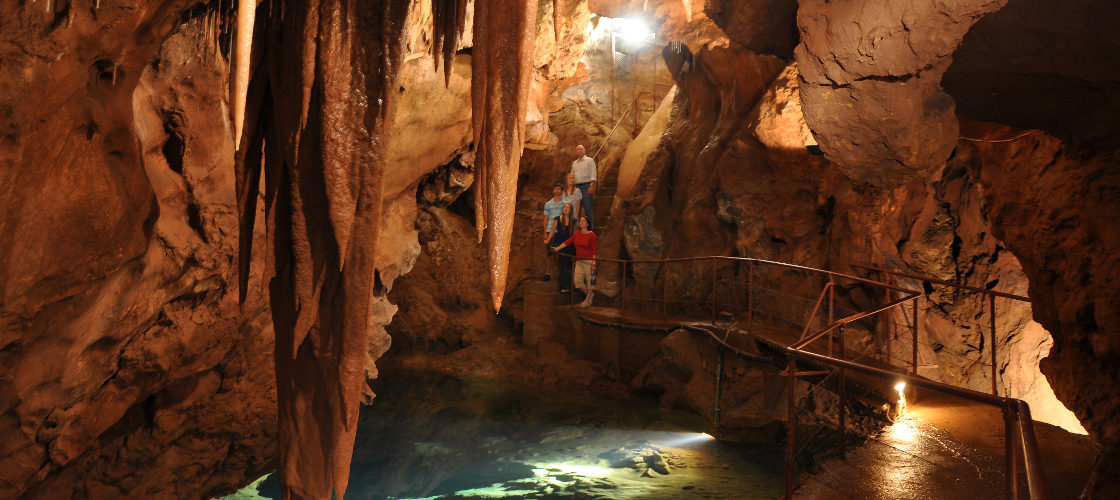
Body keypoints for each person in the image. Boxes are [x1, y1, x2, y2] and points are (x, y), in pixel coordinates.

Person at [552, 216, 598, 307]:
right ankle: (590, 295)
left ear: (587, 224)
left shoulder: (592, 235)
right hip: (579, 261)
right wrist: (557, 248)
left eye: (583, 221)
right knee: (577, 282)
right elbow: (568, 242)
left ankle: (587, 300)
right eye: (580, 221)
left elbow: (594, 249)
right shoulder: (577, 233)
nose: (581, 222)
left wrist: (594, 262)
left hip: (589, 261)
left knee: (590, 282)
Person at [547, 202, 577, 293]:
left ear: (571, 210)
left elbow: (575, 235)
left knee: (569, 266)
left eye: (568, 207)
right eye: (565, 207)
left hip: (570, 246)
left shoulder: (574, 221)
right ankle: (563, 287)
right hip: (561, 246)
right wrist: (548, 240)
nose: (566, 209)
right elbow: (552, 231)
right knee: (563, 266)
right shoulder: (558, 219)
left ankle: (568, 287)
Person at [571, 144, 597, 229]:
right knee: (577, 211)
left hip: (586, 186)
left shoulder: (590, 160)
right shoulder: (574, 163)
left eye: (582, 148)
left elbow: (593, 173)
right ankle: (578, 232)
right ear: (576, 151)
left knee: (588, 209)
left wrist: (591, 185)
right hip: (577, 188)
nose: (581, 150)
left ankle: (590, 231)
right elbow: (572, 176)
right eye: (579, 149)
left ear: (584, 150)